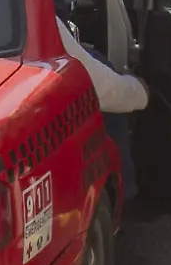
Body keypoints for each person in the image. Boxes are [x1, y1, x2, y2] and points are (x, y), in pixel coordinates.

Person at [57, 16, 148, 200]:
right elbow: (101, 88)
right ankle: (123, 193)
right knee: (101, 64)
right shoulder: (32, 12)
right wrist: (141, 91)